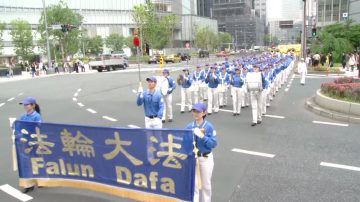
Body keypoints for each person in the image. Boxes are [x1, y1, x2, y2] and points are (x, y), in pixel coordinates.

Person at [185, 103, 217, 202]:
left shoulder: (209, 127)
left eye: (198, 111)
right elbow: (185, 143)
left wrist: (203, 137)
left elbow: (213, 144)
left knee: (206, 184)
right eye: (194, 111)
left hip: (205, 158)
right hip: (193, 158)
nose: (195, 113)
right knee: (194, 184)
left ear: (204, 113)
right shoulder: (189, 126)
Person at [16, 97, 42, 193]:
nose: (25, 106)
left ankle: (41, 180)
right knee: (26, 163)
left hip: (34, 142)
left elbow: (39, 128)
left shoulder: (37, 116)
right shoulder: (23, 116)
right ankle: (29, 184)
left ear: (33, 105)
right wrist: (14, 126)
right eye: (24, 105)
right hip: (25, 142)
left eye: (27, 104)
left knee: (36, 161)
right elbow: (20, 126)